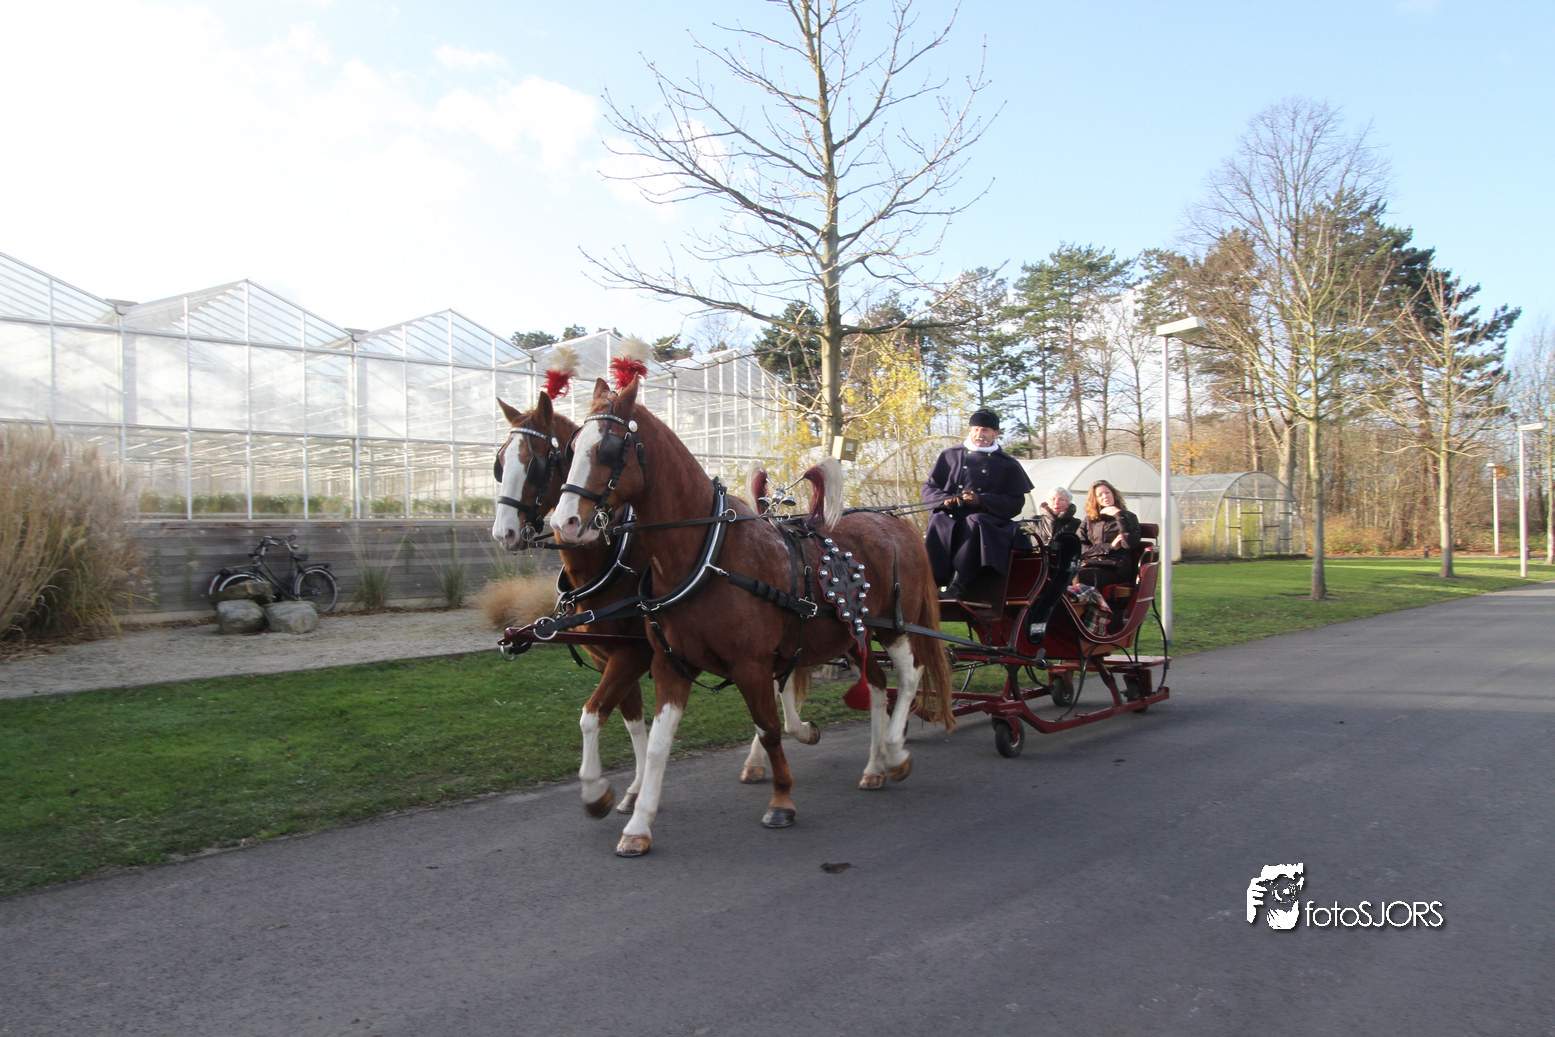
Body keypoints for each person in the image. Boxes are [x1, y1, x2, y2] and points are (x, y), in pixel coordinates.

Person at [921, 408, 1034, 599]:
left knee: (975, 522)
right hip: (953, 514)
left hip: (989, 520)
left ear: (995, 433)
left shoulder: (1008, 464)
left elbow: (1015, 503)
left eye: (985, 430)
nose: (979, 434)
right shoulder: (950, 455)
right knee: (939, 521)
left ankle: (958, 585)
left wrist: (982, 500)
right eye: (975, 429)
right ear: (970, 430)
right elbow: (929, 487)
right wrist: (944, 499)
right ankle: (931, 581)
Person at [1076, 479, 1141, 591]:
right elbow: (1079, 548)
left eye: (1107, 492)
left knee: (1079, 576)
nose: (1105, 496)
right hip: (1092, 564)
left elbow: (1129, 543)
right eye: (1100, 495)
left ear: (1113, 494)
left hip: (1116, 568)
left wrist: (1119, 515)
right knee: (1065, 574)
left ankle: (1085, 602)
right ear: (1095, 500)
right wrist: (1109, 547)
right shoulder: (1089, 520)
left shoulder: (1128, 516)